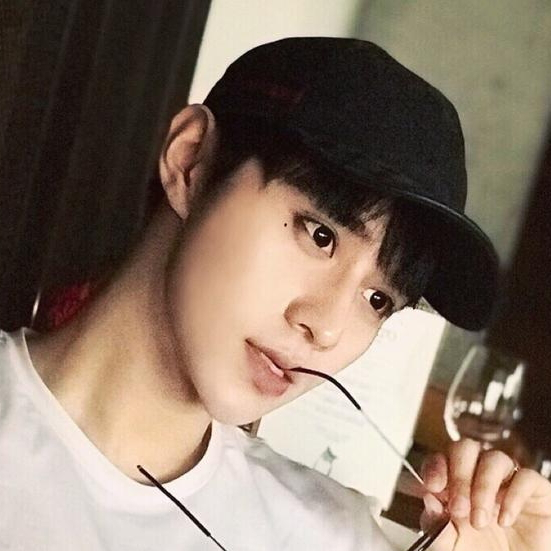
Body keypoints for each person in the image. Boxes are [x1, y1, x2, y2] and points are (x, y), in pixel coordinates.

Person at [0, 37, 550, 550]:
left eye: (378, 299)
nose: (327, 328)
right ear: (191, 161)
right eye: (320, 235)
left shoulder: (330, 534)